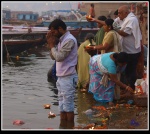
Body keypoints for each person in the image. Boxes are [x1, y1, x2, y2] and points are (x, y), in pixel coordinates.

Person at [46, 19, 78, 126]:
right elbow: (53, 57)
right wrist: (51, 44)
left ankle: (70, 127)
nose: (52, 34)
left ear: (60, 29)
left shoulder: (69, 40)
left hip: (68, 77)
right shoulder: (60, 40)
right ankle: (63, 126)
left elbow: (59, 57)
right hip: (61, 77)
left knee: (68, 106)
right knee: (62, 106)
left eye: (53, 31)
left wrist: (51, 46)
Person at [113, 5, 142, 90]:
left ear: (126, 13)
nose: (118, 15)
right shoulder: (123, 18)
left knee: (130, 71)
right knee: (125, 71)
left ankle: (131, 89)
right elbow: (112, 22)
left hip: (132, 51)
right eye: (118, 13)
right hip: (126, 51)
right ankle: (127, 88)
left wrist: (115, 28)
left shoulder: (132, 20)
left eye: (120, 13)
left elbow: (125, 33)